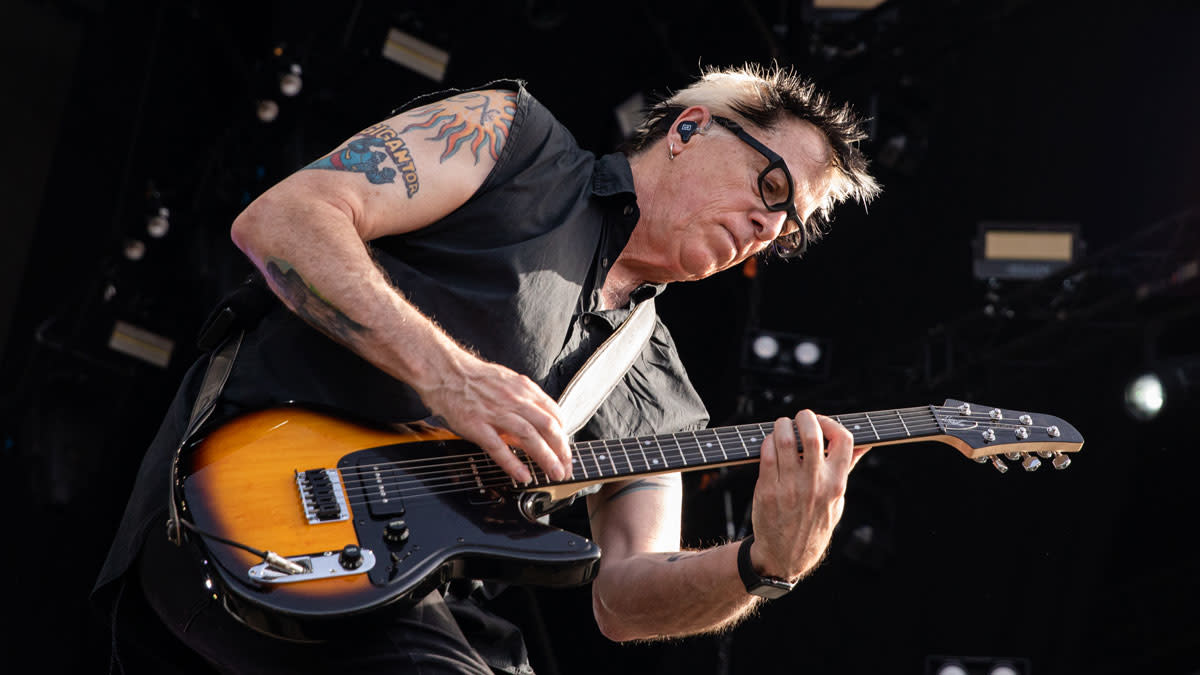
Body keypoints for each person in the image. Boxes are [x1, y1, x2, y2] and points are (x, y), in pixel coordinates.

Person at [92, 62, 881, 673]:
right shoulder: (513, 143)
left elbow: (624, 594)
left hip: (399, 607)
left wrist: (763, 564)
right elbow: (285, 220)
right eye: (769, 184)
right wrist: (446, 374)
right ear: (689, 129)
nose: (766, 223)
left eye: (788, 226)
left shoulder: (657, 385)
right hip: (234, 522)